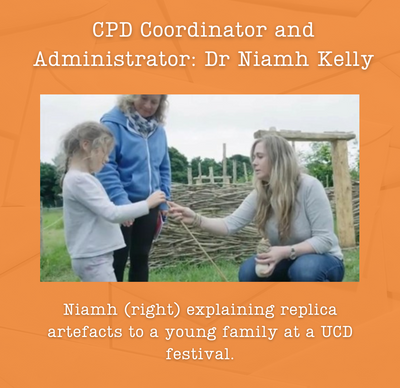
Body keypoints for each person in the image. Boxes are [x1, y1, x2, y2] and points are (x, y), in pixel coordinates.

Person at [169, 135, 344, 282]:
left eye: (260, 156)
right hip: (285, 259)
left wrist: (285, 252)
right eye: (254, 157)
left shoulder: (310, 186)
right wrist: (195, 219)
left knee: (304, 269)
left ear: (277, 159)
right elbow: (229, 224)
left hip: (324, 259)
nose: (254, 162)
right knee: (248, 271)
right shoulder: (262, 192)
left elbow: (325, 239)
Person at [61, 121, 166, 282]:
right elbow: (112, 213)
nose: (107, 159)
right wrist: (148, 203)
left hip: (94, 256)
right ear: (86, 145)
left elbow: (105, 211)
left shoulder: (79, 178)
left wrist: (124, 215)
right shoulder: (80, 180)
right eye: (105, 152)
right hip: (94, 258)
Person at [96, 95, 171, 282]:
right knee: (117, 259)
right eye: (144, 98)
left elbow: (163, 167)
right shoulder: (111, 124)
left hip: (150, 204)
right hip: (119, 204)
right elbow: (105, 167)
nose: (148, 106)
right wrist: (121, 201)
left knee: (141, 257)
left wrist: (164, 201)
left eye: (155, 102)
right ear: (131, 97)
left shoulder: (159, 131)